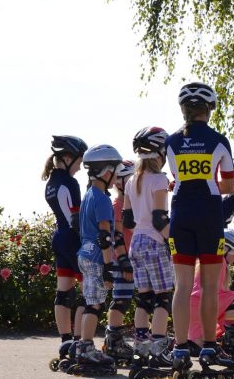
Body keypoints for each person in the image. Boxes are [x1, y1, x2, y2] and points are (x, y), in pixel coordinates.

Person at [165, 82, 234, 372]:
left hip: (180, 213)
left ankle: (180, 349)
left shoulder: (169, 141)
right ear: (209, 110)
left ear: (184, 110)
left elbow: (174, 177)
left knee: (182, 286)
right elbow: (229, 186)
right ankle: (209, 347)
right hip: (208, 214)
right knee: (209, 286)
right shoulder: (219, 140)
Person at [73, 144, 131, 375]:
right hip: (97, 256)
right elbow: (105, 236)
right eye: (115, 171)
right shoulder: (103, 199)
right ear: (106, 171)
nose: (117, 176)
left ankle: (82, 346)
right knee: (94, 305)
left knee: (90, 301)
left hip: (84, 254)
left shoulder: (89, 194)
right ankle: (86, 347)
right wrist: (109, 265)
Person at [123, 127, 175, 368]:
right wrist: (173, 242)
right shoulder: (160, 179)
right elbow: (160, 219)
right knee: (162, 299)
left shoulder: (131, 180)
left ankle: (141, 347)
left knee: (143, 298)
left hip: (136, 243)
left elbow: (127, 220)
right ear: (160, 152)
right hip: (155, 241)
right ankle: (159, 348)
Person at [42, 135, 88, 366]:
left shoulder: (51, 182)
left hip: (58, 237)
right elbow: (76, 219)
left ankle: (66, 341)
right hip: (72, 238)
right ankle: (80, 343)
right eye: (79, 161)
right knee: (86, 291)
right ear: (68, 157)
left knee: (63, 292)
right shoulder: (70, 183)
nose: (80, 167)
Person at [188, 229, 234, 360]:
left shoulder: (206, 261)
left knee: (199, 344)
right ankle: (231, 340)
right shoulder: (219, 262)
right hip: (201, 303)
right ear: (225, 249)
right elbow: (216, 293)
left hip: (193, 306)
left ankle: (218, 340)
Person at [103, 160, 136, 365]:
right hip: (121, 260)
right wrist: (124, 261)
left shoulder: (129, 204)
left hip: (130, 258)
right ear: (121, 182)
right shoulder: (118, 205)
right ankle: (113, 339)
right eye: (131, 178)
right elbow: (117, 236)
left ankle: (113, 337)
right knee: (121, 299)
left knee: (126, 298)